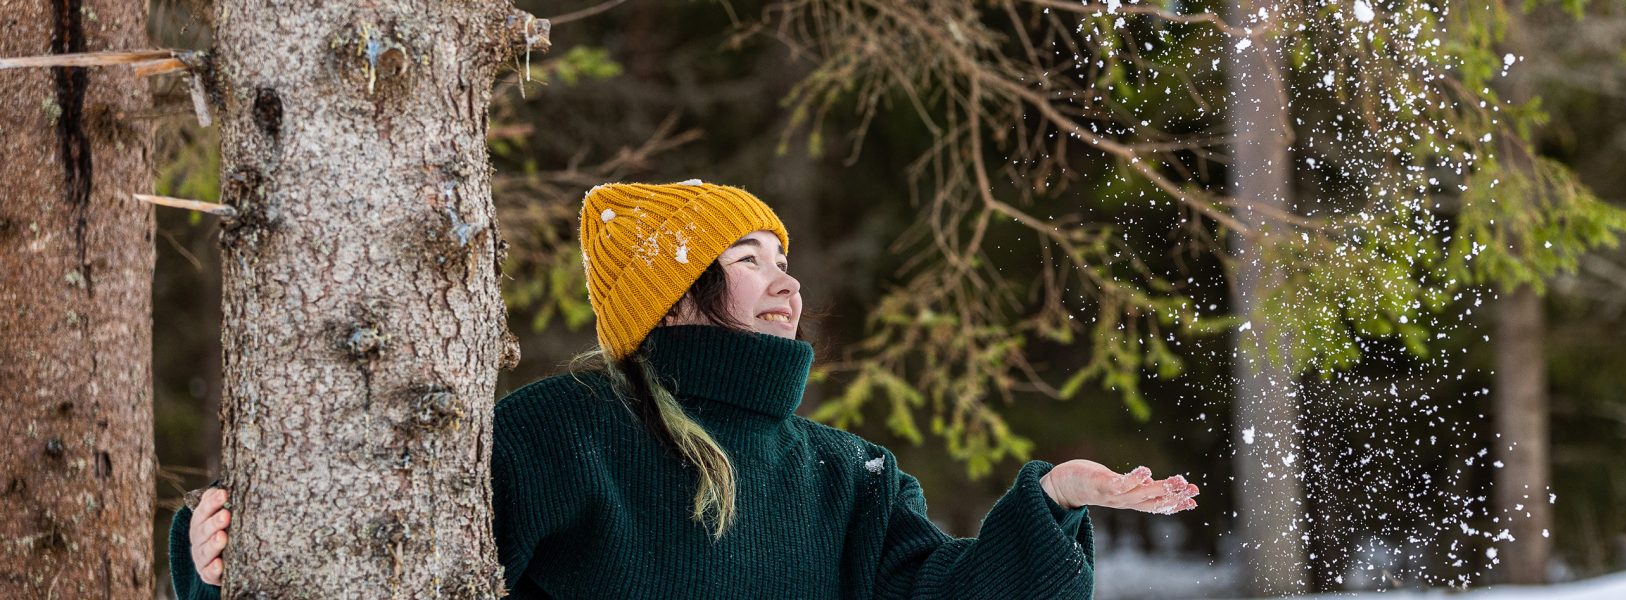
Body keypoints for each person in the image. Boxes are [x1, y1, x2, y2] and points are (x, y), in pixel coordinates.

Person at [171, 181, 1200, 598]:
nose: (785, 277)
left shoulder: (846, 473)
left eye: (782, 255)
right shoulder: (556, 435)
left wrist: (1052, 503)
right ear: (671, 298)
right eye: (748, 257)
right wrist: (210, 568)